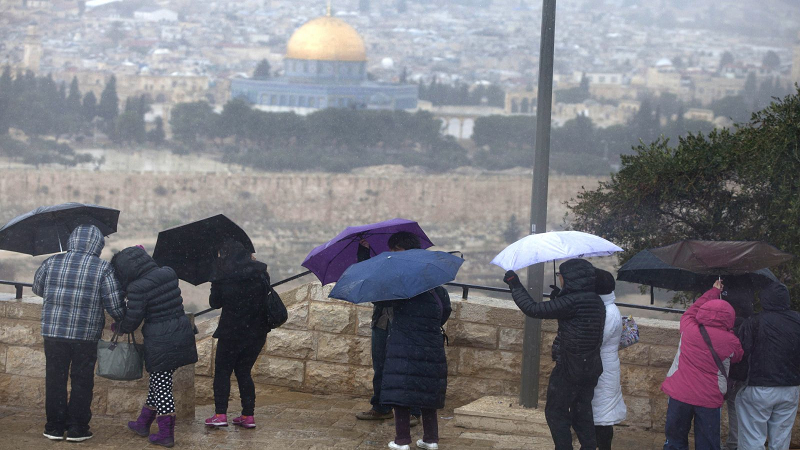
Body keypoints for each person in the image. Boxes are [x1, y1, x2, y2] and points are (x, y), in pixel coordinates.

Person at [32, 224, 125, 442]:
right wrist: (124, 317)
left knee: (55, 379)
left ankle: (54, 427)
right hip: (85, 335)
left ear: (72, 240)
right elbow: (114, 304)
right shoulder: (103, 268)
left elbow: (37, 288)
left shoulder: (52, 261)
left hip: (54, 332)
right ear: (97, 245)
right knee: (82, 381)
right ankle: (77, 428)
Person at [502, 258, 605, 450]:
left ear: (570, 277)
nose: (559, 278)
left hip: (569, 367)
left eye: (560, 275)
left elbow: (533, 309)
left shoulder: (572, 301)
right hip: (590, 366)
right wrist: (559, 298)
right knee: (581, 412)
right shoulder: (596, 300)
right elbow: (576, 321)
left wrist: (514, 284)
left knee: (556, 412)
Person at [111, 245, 198, 447]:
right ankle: (143, 423)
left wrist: (119, 327)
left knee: (162, 387)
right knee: (159, 382)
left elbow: (133, 320)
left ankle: (166, 434)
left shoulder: (137, 287)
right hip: (181, 334)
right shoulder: (168, 273)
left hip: (161, 341)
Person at [661, 280, 743, 450]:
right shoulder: (731, 341)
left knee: (675, 440)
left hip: (680, 393)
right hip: (709, 398)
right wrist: (728, 332)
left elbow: (692, 310)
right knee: (707, 443)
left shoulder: (688, 327)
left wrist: (713, 291)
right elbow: (738, 357)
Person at [355, 232, 422, 426]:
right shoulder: (387, 266)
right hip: (382, 322)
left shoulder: (417, 270)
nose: (392, 252)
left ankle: (412, 411)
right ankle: (381, 407)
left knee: (407, 368)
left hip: (405, 325)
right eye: (391, 248)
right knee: (381, 367)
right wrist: (364, 254)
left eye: (397, 249)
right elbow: (369, 281)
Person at [205, 240, 272, 429]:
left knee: (222, 372)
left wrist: (215, 280)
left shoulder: (223, 274)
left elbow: (215, 303)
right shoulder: (260, 272)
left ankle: (220, 414)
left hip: (231, 332)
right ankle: (248, 415)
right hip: (257, 332)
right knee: (243, 372)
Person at [383, 284, 451, 450]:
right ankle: (431, 439)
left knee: (401, 394)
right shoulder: (439, 291)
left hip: (403, 347)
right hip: (430, 348)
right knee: (427, 393)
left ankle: (402, 440)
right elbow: (444, 313)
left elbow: (381, 303)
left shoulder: (401, 290)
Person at [735, 281, 800, 450]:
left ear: (764, 299)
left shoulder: (754, 322)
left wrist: (736, 379)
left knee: (752, 438)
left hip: (760, 386)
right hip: (791, 388)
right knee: (781, 439)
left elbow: (741, 353)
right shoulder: (797, 321)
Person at [592, 269, 627, 450]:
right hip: (603, 367)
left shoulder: (609, 313)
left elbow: (595, 340)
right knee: (599, 414)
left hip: (604, 370)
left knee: (603, 417)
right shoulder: (606, 308)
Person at [719, 279, 756, 450]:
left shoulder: (725, 321)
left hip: (722, 372)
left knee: (715, 407)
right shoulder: (751, 322)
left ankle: (715, 442)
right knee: (736, 408)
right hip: (742, 373)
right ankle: (734, 442)